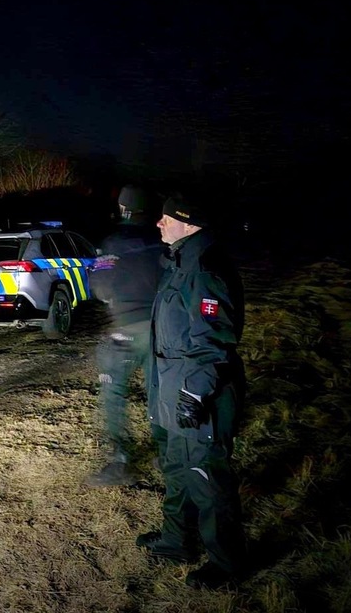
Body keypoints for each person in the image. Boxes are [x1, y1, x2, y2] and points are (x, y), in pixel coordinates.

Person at [139, 193, 248, 590]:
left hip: (198, 397)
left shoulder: (204, 269)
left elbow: (213, 341)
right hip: (172, 393)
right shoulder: (180, 262)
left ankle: (228, 563)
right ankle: (175, 541)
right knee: (176, 470)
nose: (159, 224)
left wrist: (194, 396)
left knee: (206, 478)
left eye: (166, 217)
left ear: (189, 222)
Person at [85, 184, 166, 487]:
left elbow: (101, 287)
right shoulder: (162, 241)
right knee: (158, 392)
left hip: (127, 329)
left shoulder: (114, 243)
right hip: (159, 330)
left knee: (113, 392)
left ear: (123, 209)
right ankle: (167, 453)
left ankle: (121, 461)